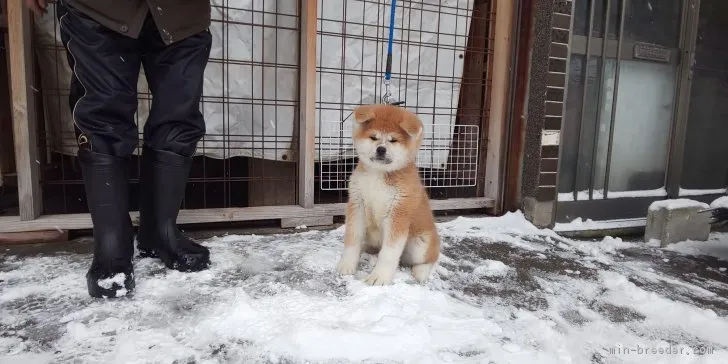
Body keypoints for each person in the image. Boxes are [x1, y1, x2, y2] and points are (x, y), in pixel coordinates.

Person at [24, 0, 214, 298]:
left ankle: (160, 232)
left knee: (178, 117)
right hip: (98, 9)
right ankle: (112, 244)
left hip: (183, 12)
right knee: (103, 119)